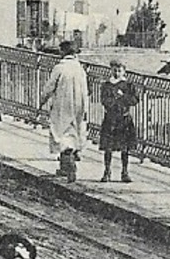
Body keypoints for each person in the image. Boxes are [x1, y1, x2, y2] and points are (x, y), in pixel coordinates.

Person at [38, 40, 89, 182]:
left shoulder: (59, 68)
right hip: (78, 103)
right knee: (74, 130)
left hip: (62, 103)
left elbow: (49, 87)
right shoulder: (80, 69)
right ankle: (66, 163)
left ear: (63, 52)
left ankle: (68, 164)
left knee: (60, 132)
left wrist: (42, 101)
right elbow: (86, 90)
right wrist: (85, 107)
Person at [99, 60, 141, 183]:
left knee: (125, 147)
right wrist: (114, 101)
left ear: (124, 71)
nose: (117, 73)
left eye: (119, 70)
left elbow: (135, 100)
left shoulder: (128, 85)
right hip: (111, 118)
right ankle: (107, 171)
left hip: (124, 118)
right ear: (111, 70)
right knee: (108, 147)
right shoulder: (107, 85)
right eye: (114, 70)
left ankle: (124, 172)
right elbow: (104, 100)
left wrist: (123, 97)